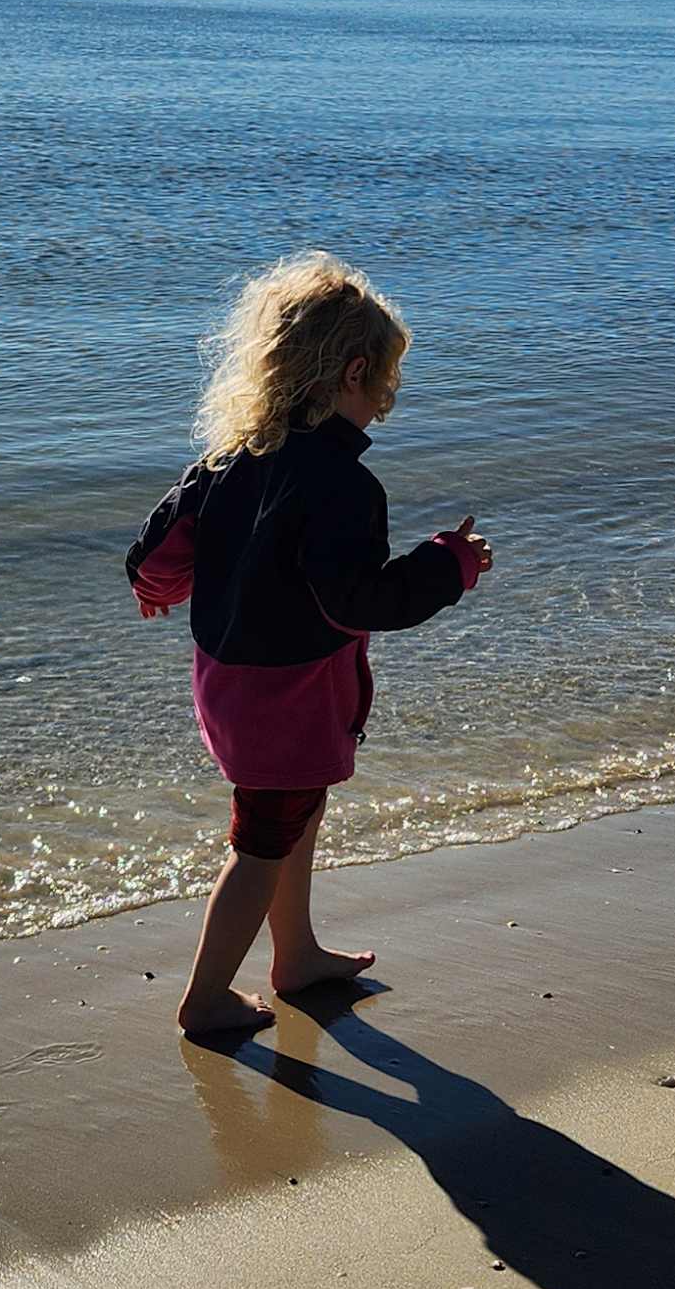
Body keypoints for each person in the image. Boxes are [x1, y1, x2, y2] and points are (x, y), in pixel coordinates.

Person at [124, 252, 491, 1038]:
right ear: (353, 372)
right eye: (385, 384)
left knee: (292, 815)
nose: (386, 402)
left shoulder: (228, 459)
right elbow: (360, 598)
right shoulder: (344, 486)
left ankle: (295, 955)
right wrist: (449, 566)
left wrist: (158, 592)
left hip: (229, 679)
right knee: (260, 843)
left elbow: (155, 552)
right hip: (284, 694)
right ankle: (205, 999)